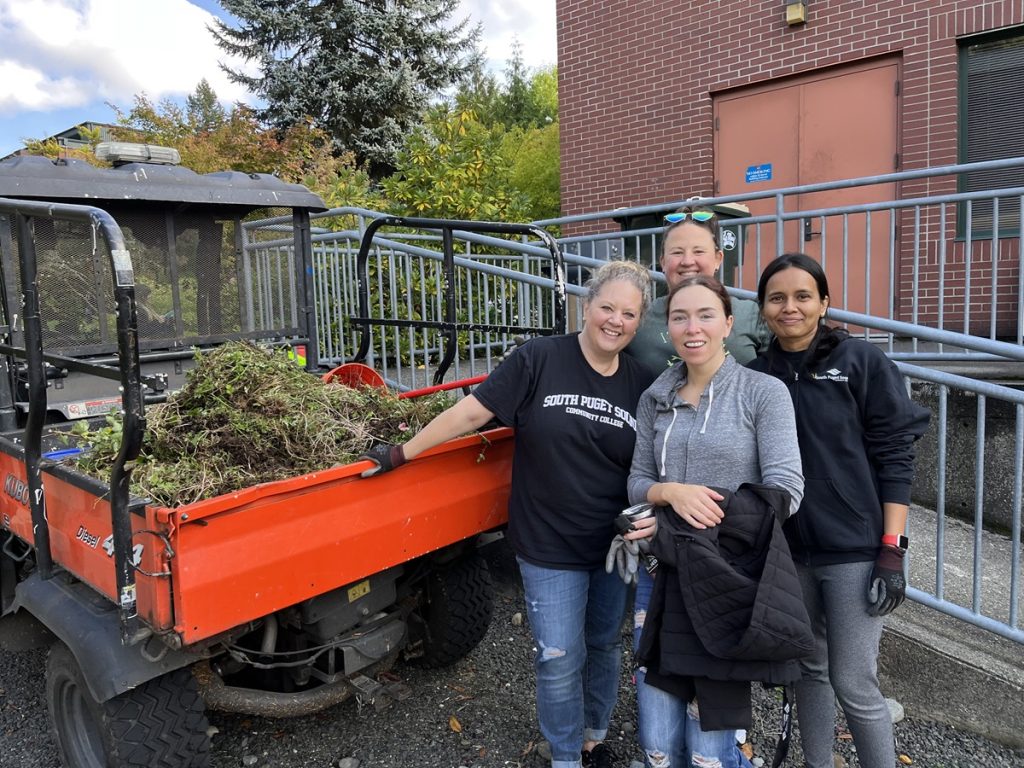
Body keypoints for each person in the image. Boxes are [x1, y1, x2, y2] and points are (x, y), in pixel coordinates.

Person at [360, 260, 657, 768]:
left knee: (604, 643)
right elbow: (472, 412)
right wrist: (404, 453)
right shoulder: (539, 358)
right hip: (548, 543)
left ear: (639, 321)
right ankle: (565, 756)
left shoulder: (644, 383)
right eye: (607, 307)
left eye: (628, 313)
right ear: (586, 307)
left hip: (613, 545)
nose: (615, 320)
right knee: (559, 659)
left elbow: (658, 458)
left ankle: (592, 736)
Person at [747, 253, 931, 768]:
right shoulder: (757, 374)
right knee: (810, 668)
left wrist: (892, 551)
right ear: (762, 308)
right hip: (789, 550)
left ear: (824, 302)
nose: (790, 308)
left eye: (803, 296)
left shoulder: (860, 362)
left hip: (854, 549)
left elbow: (896, 457)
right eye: (777, 298)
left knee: (854, 681)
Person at [623, 274, 805, 768]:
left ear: (728, 323)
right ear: (668, 329)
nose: (692, 327)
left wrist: (685, 525)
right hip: (658, 578)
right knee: (658, 742)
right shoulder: (655, 397)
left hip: (725, 581)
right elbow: (637, 479)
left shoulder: (762, 393)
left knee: (709, 749)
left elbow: (787, 491)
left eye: (706, 315)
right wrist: (667, 493)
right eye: (680, 317)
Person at [626, 204, 769, 373]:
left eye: (698, 251)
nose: (687, 261)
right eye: (677, 252)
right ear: (663, 261)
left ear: (718, 259)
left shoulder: (750, 314)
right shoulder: (639, 319)